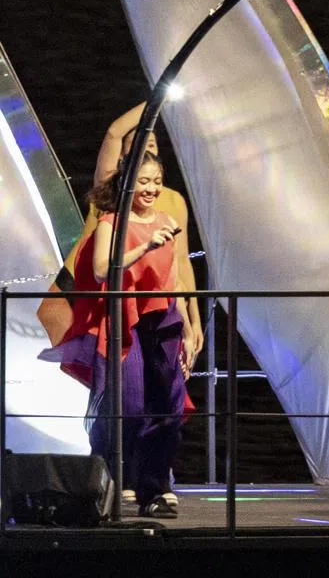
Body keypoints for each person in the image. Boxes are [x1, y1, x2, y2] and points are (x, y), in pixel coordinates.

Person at [37, 102, 201, 509]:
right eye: (143, 179)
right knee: (127, 401)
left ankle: (156, 485)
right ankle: (112, 476)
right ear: (127, 174)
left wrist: (190, 322)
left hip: (162, 317)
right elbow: (101, 270)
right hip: (121, 317)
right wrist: (158, 97)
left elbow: (177, 274)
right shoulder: (111, 216)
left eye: (156, 179)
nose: (151, 187)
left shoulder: (169, 212)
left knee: (167, 402)